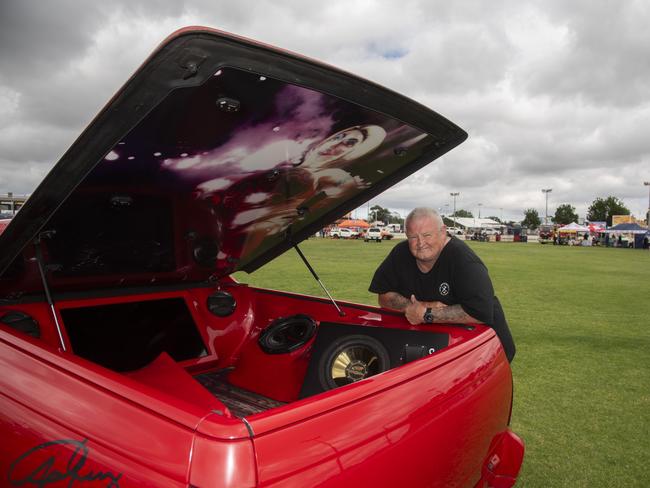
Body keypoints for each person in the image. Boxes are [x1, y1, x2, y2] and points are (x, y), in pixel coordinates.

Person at [369, 207, 516, 362]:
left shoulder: (464, 261)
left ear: (443, 232)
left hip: (488, 350)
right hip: (438, 347)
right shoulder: (400, 253)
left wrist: (426, 314)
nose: (420, 243)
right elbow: (383, 295)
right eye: (413, 237)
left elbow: (479, 312)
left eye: (427, 235)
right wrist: (414, 308)